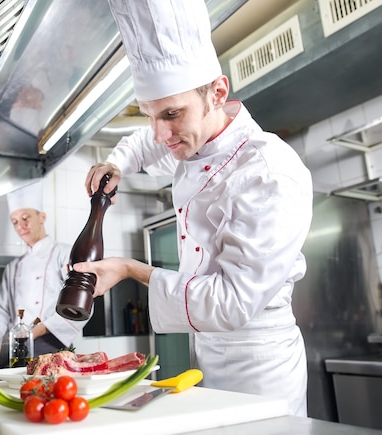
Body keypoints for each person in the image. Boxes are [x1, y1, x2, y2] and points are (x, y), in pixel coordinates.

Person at [74, 0, 313, 417]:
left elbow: (230, 303)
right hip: (206, 349)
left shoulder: (267, 171)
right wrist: (117, 164)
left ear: (218, 92)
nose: (160, 133)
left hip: (260, 361)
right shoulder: (194, 140)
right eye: (148, 115)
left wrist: (132, 270)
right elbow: (144, 143)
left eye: (170, 114)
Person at [0, 181, 87, 362]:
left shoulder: (65, 253)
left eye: (25, 217)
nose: (20, 226)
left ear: (42, 217)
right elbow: (1, 311)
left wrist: (39, 330)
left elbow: (80, 303)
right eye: (14, 222)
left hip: (53, 345)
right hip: (17, 347)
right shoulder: (13, 267)